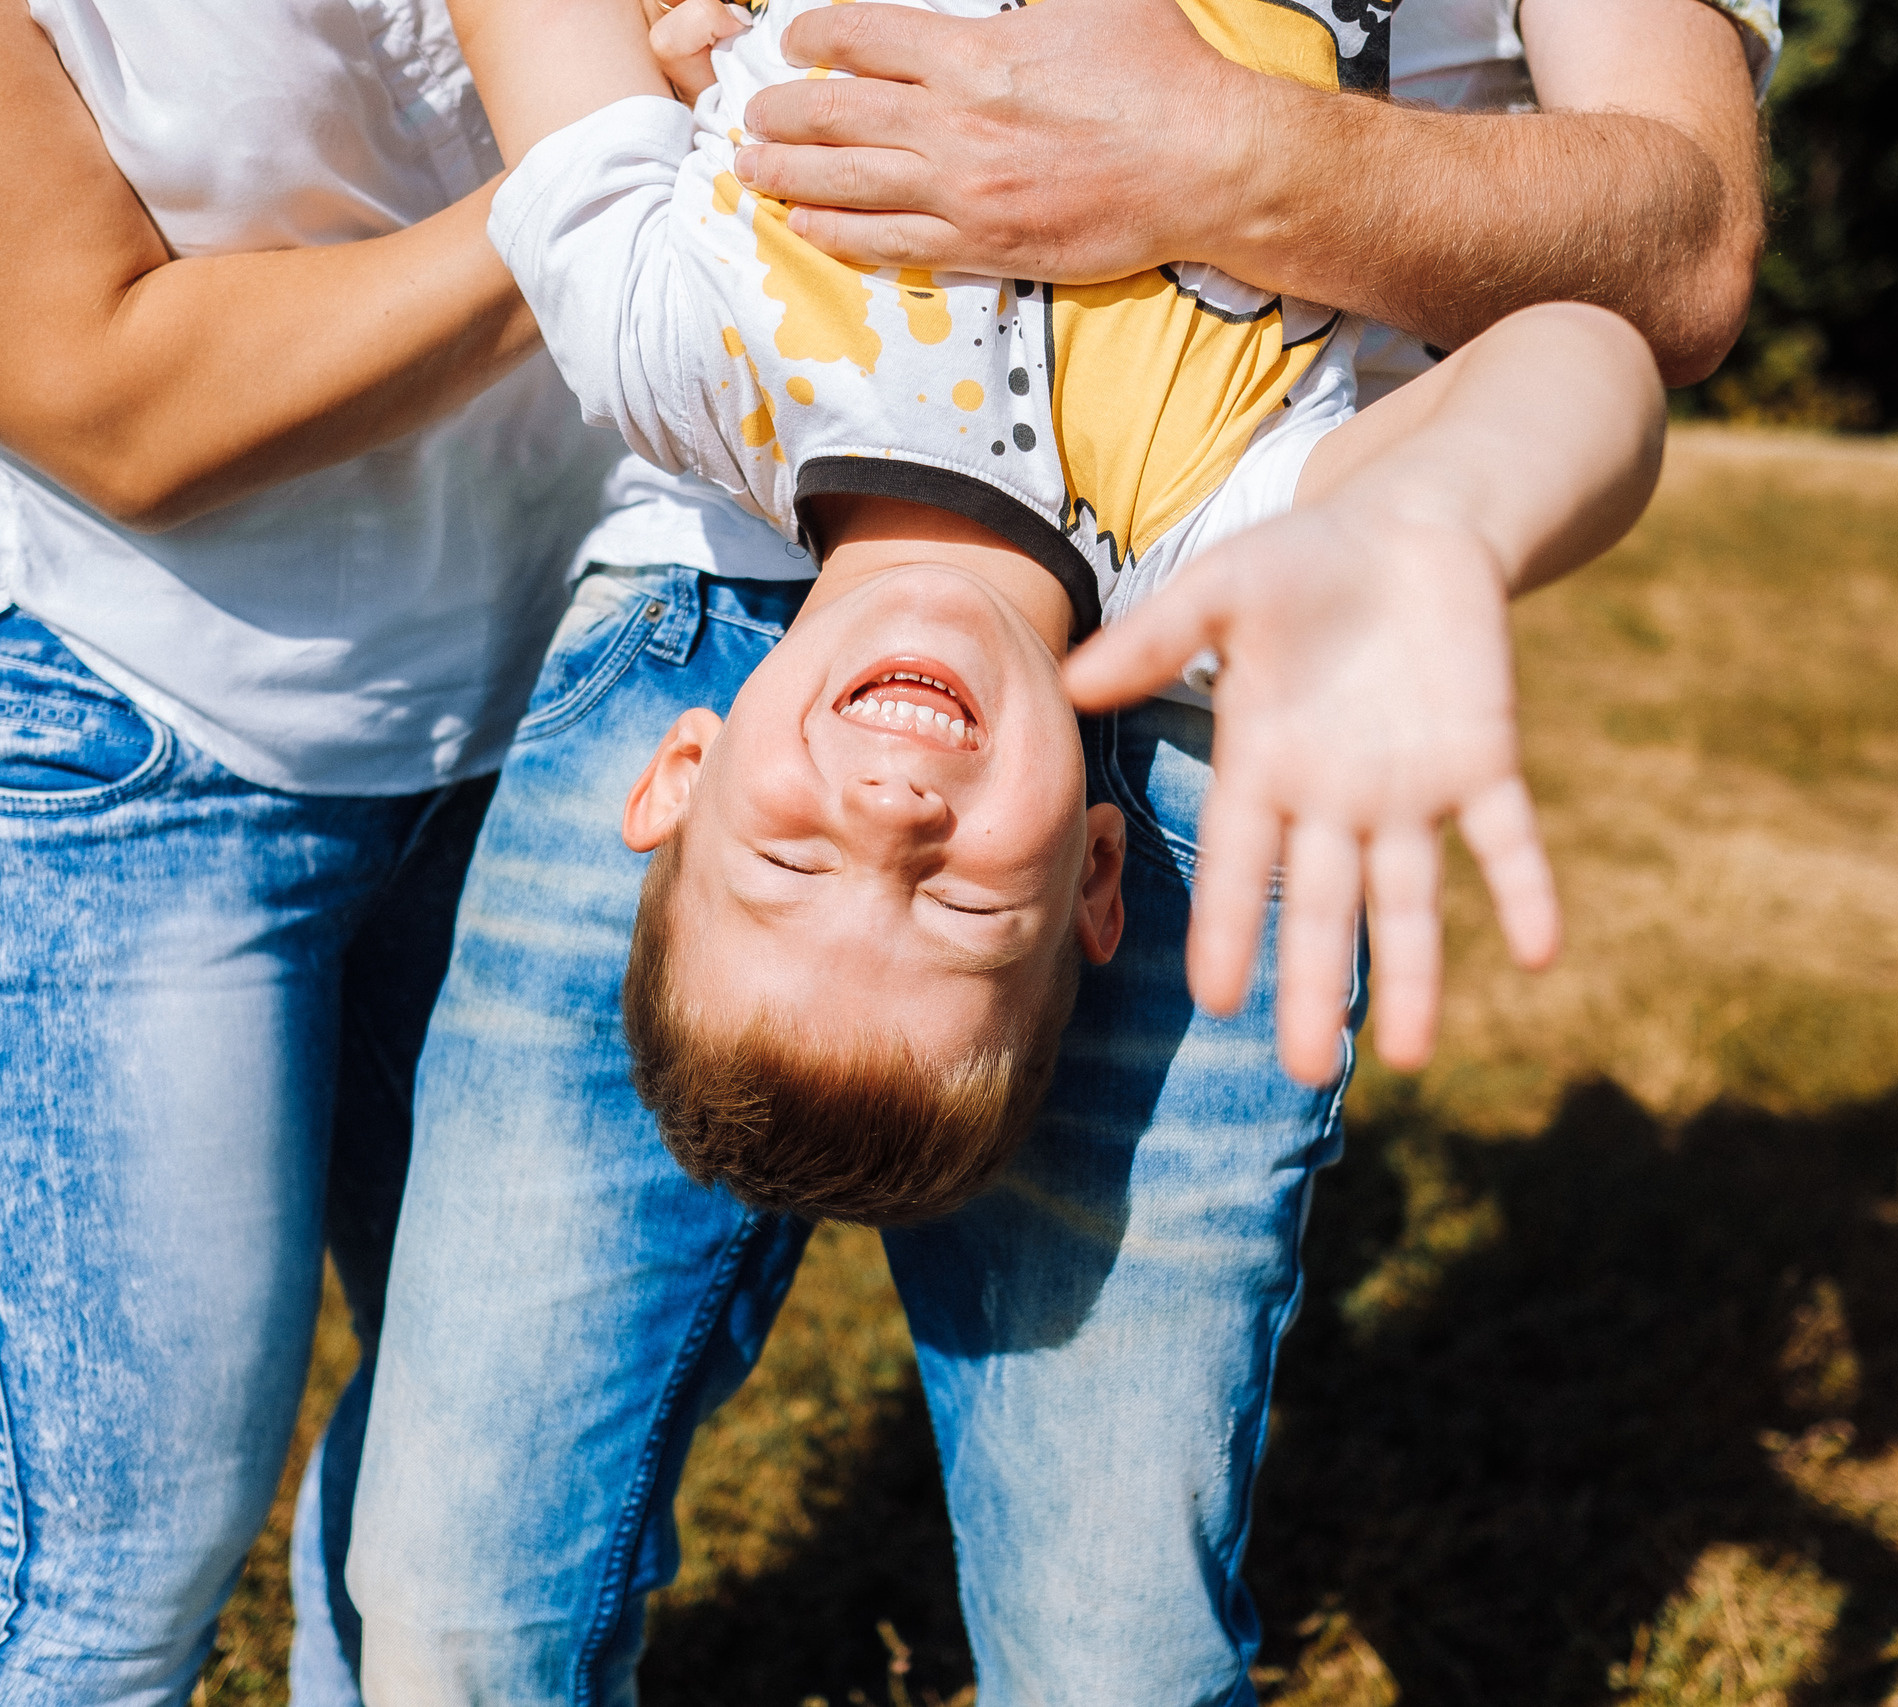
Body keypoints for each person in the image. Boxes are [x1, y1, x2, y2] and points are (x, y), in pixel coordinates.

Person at [347, 0, 1779, 1700]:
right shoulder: (1235, 527)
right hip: (1143, 655)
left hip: (767, 594)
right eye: (951, 892)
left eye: (800, 866)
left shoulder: (664, 348)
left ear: (677, 781)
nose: (890, 820)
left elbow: (1680, 243)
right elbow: (1593, 354)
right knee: (487, 1592)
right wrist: (1440, 512)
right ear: (1101, 880)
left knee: (469, 1595)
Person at [0, 3, 619, 1703]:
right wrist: (626, 165)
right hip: (118, 724)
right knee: (112, 1570)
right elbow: (122, 395)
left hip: (552, 671)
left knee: (501, 1503)